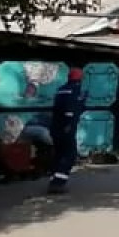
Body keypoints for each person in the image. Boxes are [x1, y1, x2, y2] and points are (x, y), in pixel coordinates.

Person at [47, 66, 87, 195]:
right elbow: (70, 110)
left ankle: (53, 180)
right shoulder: (75, 90)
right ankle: (58, 183)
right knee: (70, 155)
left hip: (55, 128)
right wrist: (69, 125)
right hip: (66, 129)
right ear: (79, 79)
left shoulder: (61, 90)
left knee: (58, 154)